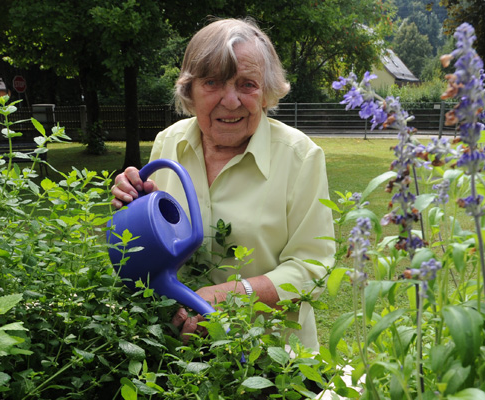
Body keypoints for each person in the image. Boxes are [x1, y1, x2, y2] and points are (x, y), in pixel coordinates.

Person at [110, 18, 335, 350]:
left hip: (271, 364)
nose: (230, 101)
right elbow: (146, 252)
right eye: (212, 82)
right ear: (190, 90)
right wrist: (130, 207)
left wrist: (232, 295)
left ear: (267, 92)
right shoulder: (168, 143)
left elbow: (312, 268)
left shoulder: (300, 156)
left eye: (247, 84)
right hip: (176, 357)